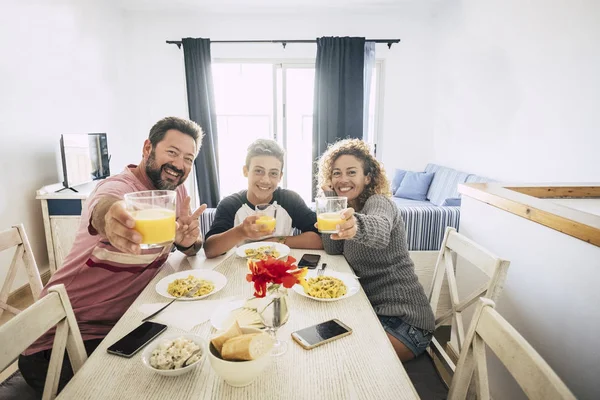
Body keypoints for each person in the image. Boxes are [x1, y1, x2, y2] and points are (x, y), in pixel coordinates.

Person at [19, 116, 207, 394]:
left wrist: (189, 242)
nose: (179, 165)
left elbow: (190, 243)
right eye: (172, 152)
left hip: (124, 323)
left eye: (188, 159)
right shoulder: (120, 189)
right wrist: (110, 218)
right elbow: (105, 205)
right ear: (147, 148)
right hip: (61, 340)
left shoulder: (174, 191)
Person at [317, 138, 435, 361]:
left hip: (406, 322)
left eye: (351, 172)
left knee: (341, 358)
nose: (343, 179)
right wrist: (333, 203)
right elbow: (333, 248)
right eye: (336, 173)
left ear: (367, 177)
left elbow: (379, 230)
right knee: (321, 335)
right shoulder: (347, 209)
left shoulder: (379, 202)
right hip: (372, 311)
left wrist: (355, 226)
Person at [204, 139, 322, 258]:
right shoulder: (230, 204)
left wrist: (277, 240)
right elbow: (210, 250)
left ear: (280, 176)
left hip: (279, 268)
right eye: (258, 171)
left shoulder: (290, 200)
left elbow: (319, 239)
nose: (265, 180)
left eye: (273, 173)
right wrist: (241, 232)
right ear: (246, 171)